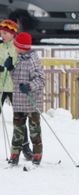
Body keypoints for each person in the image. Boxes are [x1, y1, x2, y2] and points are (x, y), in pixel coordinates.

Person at [8, 32, 45, 166]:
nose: (15, 47)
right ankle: (14, 155)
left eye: (16, 45)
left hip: (31, 102)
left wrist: (29, 86)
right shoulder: (18, 57)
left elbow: (41, 79)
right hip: (18, 101)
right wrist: (11, 68)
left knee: (34, 131)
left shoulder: (32, 60)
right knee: (18, 130)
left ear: (22, 47)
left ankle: (37, 155)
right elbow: (16, 78)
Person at [0, 19, 33, 160]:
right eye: (2, 33)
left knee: (19, 119)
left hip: (15, 87)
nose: (3, 35)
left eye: (6, 33)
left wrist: (12, 66)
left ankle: (25, 147)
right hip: (1, 85)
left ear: (13, 34)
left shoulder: (17, 47)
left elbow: (22, 63)